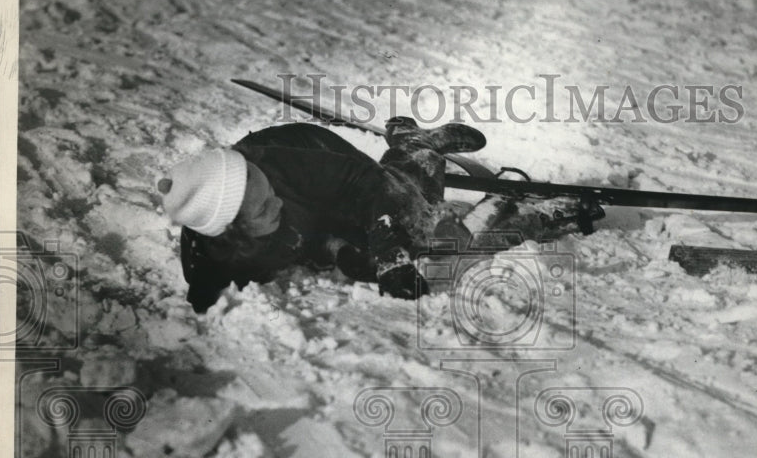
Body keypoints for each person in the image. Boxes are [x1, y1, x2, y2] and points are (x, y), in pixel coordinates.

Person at [156, 119, 604, 313]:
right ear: (232, 231)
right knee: (397, 244)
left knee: (419, 223)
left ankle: (415, 147)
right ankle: (410, 146)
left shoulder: (279, 167)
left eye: (269, 191)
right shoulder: (209, 262)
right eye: (263, 207)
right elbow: (203, 301)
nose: (274, 200)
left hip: (327, 161)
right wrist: (337, 250)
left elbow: (365, 185)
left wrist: (389, 252)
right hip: (309, 209)